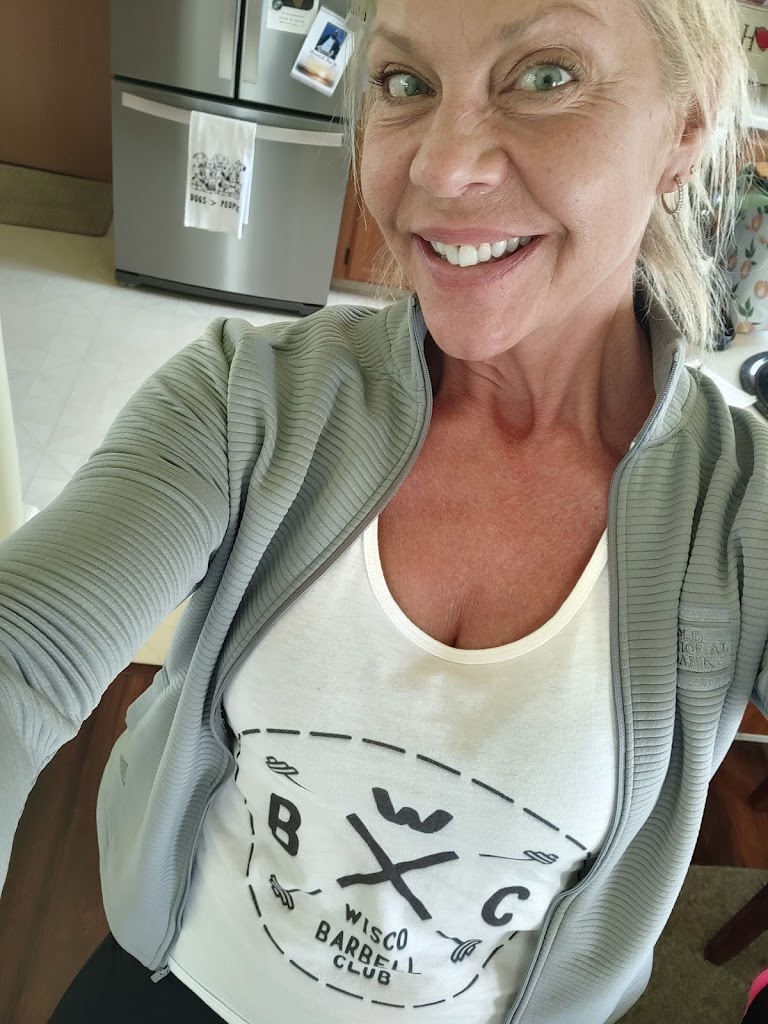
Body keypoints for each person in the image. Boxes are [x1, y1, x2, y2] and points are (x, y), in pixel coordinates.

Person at [0, 0, 766, 1022]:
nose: (441, 169)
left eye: (546, 76)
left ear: (686, 123)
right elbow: (23, 653)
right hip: (168, 986)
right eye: (405, 83)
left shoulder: (743, 515)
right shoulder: (249, 400)